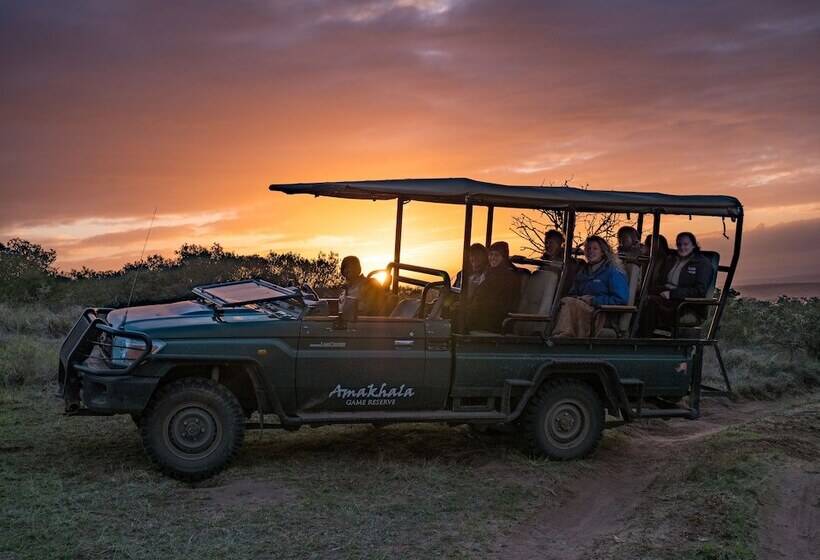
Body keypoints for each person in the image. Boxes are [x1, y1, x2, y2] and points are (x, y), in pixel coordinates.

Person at [551, 236, 629, 338]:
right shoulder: (583, 272)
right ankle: (541, 330)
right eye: (588, 248)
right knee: (562, 301)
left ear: (603, 252)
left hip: (601, 314)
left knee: (568, 303)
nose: (590, 251)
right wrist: (578, 298)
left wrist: (593, 300)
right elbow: (573, 292)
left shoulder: (613, 271)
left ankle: (563, 336)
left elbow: (621, 299)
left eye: (595, 248)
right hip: (582, 309)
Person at [638, 232, 713, 336]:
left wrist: (673, 294)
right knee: (640, 296)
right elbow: (662, 280)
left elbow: (699, 291)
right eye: (679, 244)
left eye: (686, 244)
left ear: (694, 245)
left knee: (650, 302)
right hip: (666, 296)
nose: (682, 247)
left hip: (685, 303)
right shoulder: (672, 260)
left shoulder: (702, 264)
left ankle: (643, 338)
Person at [467, 241, 519, 332]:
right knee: (456, 309)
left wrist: (474, 307)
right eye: (491, 255)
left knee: (460, 314)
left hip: (496, 318)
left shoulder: (508, 276)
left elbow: (500, 302)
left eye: (496, 255)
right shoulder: (490, 273)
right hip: (485, 313)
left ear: (504, 257)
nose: (492, 258)